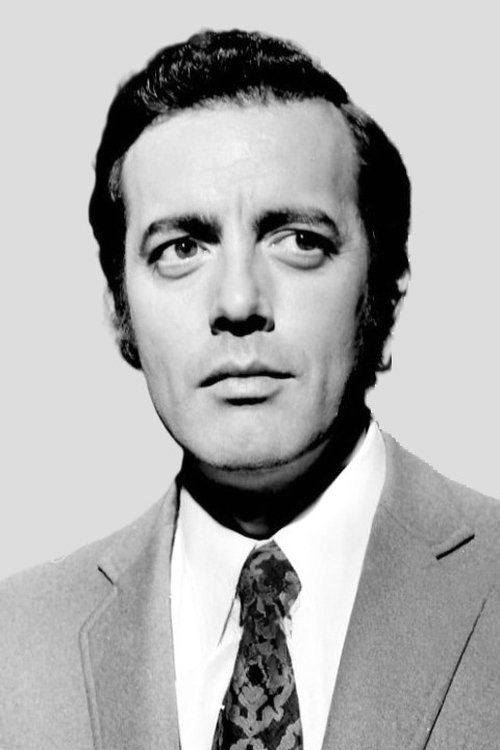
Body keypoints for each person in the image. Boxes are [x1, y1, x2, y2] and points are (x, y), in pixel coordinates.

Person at [1, 28, 500, 750]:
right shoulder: (16, 644)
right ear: (119, 311)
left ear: (384, 294)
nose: (238, 301)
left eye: (299, 240)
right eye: (181, 248)